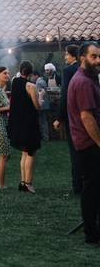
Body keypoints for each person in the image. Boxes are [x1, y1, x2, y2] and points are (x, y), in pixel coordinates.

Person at [66, 41, 100, 245]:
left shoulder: (89, 78)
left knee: (95, 189)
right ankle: (91, 234)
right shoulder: (84, 82)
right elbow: (87, 117)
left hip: (88, 143)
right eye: (94, 56)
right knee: (92, 190)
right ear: (82, 58)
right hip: (89, 145)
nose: (98, 60)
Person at [56, 44, 86, 195]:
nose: (65, 57)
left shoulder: (68, 71)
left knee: (74, 150)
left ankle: (77, 185)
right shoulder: (85, 70)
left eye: (67, 54)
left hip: (72, 117)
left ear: (73, 56)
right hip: (86, 114)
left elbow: (65, 95)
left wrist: (59, 117)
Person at [10, 60, 42, 193]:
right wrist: (41, 96)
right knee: (30, 152)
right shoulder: (31, 86)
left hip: (18, 122)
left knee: (24, 153)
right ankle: (28, 184)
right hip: (29, 123)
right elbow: (37, 106)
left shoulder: (15, 83)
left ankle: (22, 182)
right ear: (30, 72)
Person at [35, 69, 51, 142]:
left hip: (42, 105)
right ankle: (46, 136)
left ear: (36, 76)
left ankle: (44, 137)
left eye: (33, 76)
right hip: (46, 104)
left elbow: (40, 94)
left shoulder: (38, 83)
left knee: (42, 122)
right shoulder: (43, 81)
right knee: (44, 121)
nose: (32, 77)